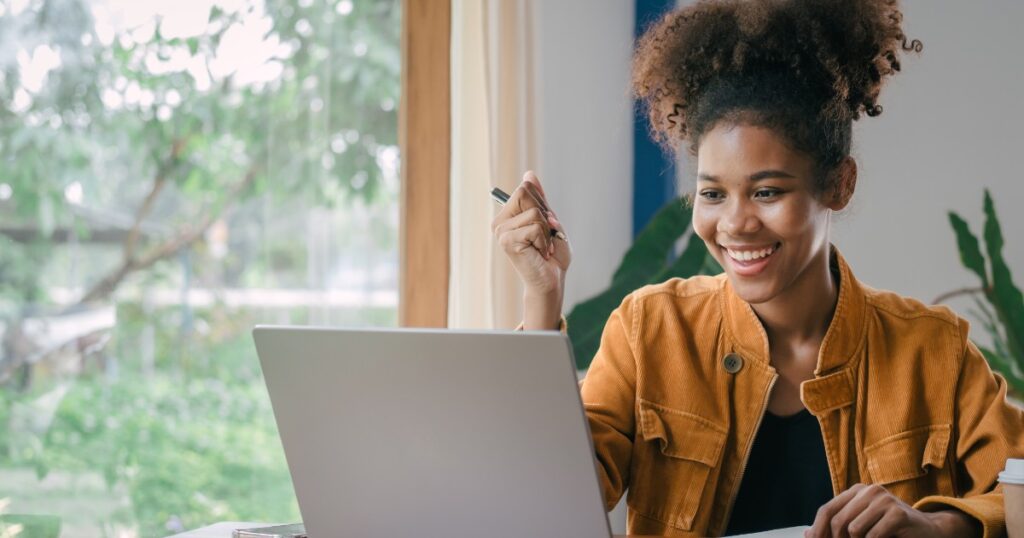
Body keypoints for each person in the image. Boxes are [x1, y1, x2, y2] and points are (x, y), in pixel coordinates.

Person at [490, 0, 1024, 536]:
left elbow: (1016, 490)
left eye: (767, 191)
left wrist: (938, 528)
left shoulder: (934, 352)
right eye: (713, 193)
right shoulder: (649, 331)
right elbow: (541, 496)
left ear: (839, 184)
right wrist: (542, 297)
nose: (736, 223)